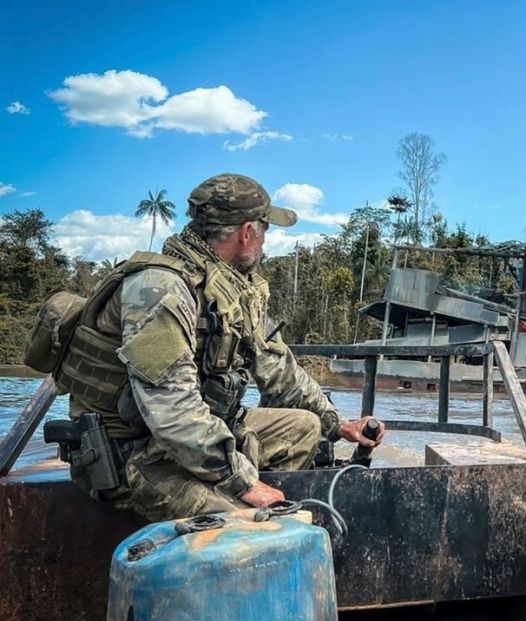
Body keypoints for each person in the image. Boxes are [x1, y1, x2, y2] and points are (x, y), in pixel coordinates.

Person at [54, 173, 384, 521]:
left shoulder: (230, 287)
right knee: (255, 529)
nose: (263, 241)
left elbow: (280, 371)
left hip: (189, 440)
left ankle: (255, 502)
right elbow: (172, 412)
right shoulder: (160, 289)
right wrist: (243, 484)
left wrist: (338, 424)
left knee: (303, 427)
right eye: (264, 230)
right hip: (133, 456)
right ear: (247, 232)